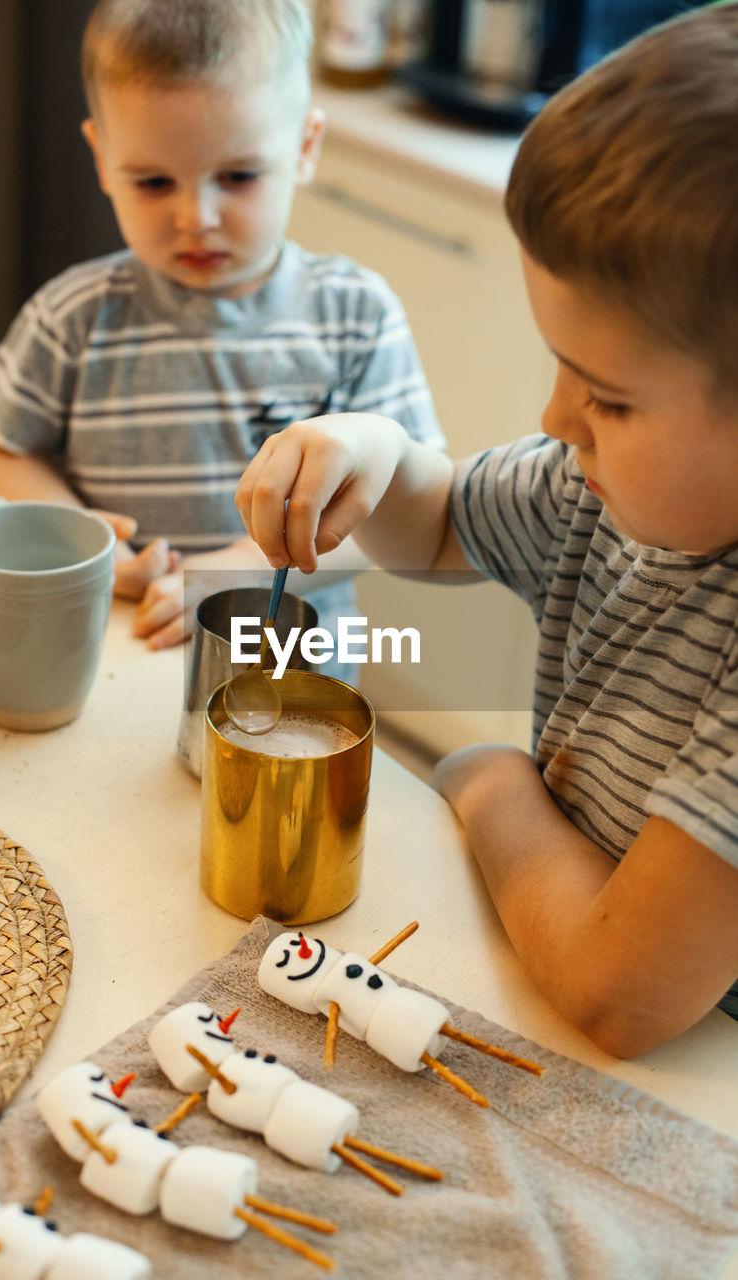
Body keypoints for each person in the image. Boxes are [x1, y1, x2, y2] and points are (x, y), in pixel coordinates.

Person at [234, 4, 738, 1058]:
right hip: (541, 956)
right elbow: (439, 526)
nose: (556, 419)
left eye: (609, 395)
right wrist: (370, 454)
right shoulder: (598, 483)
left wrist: (486, 777)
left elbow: (618, 991)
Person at [0, 0, 442, 657]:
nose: (197, 217)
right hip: (118, 646)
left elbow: (402, 511)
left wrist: (236, 570)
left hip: (286, 669)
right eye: (155, 181)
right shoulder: (72, 314)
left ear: (304, 147)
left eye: (237, 176)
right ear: (102, 159)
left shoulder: (356, 316)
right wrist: (78, 535)